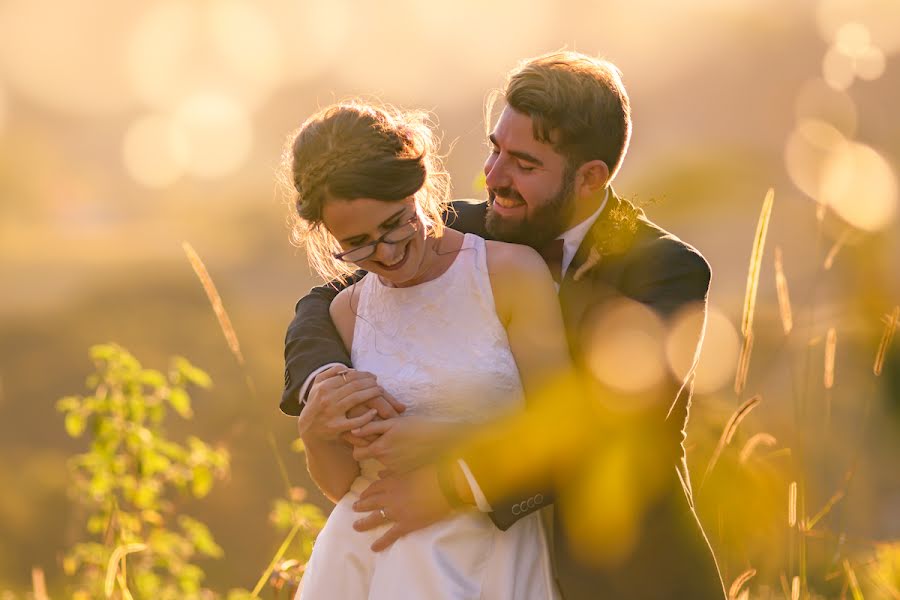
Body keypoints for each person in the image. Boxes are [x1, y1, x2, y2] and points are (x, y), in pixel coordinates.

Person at [283, 51, 727, 599]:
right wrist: (321, 385)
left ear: (590, 177)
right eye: (495, 150)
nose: (493, 176)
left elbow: (598, 427)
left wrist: (449, 481)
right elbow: (322, 300)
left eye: (524, 163)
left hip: (618, 572)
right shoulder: (441, 229)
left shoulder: (665, 272)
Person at [283, 101, 572, 599]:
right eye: (358, 244)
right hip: (361, 565)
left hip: (490, 555)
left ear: (420, 187)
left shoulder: (508, 275)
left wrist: (445, 443)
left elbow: (567, 431)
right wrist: (314, 433)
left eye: (396, 224)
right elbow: (345, 487)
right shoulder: (346, 313)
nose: (388, 254)